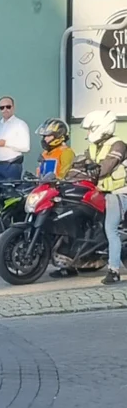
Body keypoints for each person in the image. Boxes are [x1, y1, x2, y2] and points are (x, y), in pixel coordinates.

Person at [81, 110, 127, 285]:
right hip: (101, 191)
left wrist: (93, 167)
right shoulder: (94, 146)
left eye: (90, 129)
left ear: (101, 127)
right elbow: (82, 162)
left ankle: (113, 270)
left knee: (111, 229)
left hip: (119, 192)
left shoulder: (118, 145)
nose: (87, 133)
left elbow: (106, 167)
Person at [0, 96, 29, 180]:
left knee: (10, 191)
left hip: (12, 165)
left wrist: (5, 143)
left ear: (13, 107)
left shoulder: (20, 124)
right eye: (2, 107)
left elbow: (26, 147)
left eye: (8, 107)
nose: (5, 110)